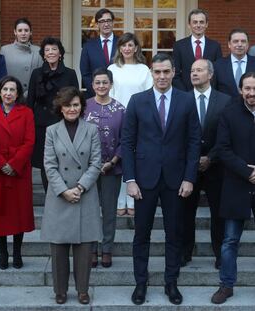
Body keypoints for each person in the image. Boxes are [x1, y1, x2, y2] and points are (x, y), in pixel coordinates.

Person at [121, 53, 200, 306]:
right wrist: (130, 179)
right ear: (151, 73)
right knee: (141, 235)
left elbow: (193, 143)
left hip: (176, 180)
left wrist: (189, 178)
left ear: (174, 72)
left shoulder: (187, 101)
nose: (162, 76)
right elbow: (128, 142)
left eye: (166, 72)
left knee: (174, 235)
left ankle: (171, 283)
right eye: (157, 72)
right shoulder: (137, 101)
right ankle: (140, 284)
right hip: (144, 179)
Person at [41, 86, 102, 305]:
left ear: (81, 106)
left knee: (84, 247)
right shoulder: (51, 131)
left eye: (76, 104)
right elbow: (49, 164)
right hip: (59, 195)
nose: (72, 109)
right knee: (58, 248)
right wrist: (64, 191)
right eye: (68, 105)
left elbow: (96, 163)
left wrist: (80, 187)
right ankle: (60, 290)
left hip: (84, 194)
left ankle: (83, 290)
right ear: (60, 107)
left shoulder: (92, 130)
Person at [210, 72, 255, 304]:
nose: (252, 93)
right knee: (230, 241)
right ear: (240, 90)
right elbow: (222, 150)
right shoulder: (229, 114)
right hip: (237, 184)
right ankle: (226, 285)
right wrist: (248, 172)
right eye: (247, 88)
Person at [181, 59, 231, 269]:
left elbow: (228, 136)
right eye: (192, 70)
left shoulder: (226, 101)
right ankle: (185, 252)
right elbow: (177, 135)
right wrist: (193, 160)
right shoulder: (181, 100)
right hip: (187, 168)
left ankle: (220, 253)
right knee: (185, 213)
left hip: (216, 166)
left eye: (199, 70)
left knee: (218, 213)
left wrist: (210, 157)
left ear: (210, 75)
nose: (194, 73)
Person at [0, 76, 35, 270]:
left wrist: (14, 164)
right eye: (5, 89)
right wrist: (1, 163)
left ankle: (17, 253)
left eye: (12, 90)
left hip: (18, 172)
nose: (8, 93)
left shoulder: (27, 113)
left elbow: (29, 141)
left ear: (18, 94)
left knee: (18, 213)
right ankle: (3, 253)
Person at [108, 32, 153, 216]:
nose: (127, 49)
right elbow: (109, 92)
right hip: (117, 117)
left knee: (135, 159)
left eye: (130, 45)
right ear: (119, 48)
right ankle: (120, 200)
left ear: (136, 48)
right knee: (120, 159)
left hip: (139, 118)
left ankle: (132, 200)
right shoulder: (112, 68)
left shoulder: (144, 69)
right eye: (123, 45)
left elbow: (149, 93)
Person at [84, 68, 124, 268]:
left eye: (105, 82)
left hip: (112, 168)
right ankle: (91, 249)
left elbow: (126, 139)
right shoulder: (84, 107)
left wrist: (113, 161)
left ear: (111, 84)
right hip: (87, 169)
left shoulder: (120, 109)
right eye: (97, 82)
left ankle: (106, 249)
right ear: (92, 85)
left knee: (108, 211)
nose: (101, 86)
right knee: (90, 210)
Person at [27, 37, 79, 191]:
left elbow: (76, 100)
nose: (51, 53)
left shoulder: (70, 73)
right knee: (46, 163)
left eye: (54, 49)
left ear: (60, 53)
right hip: (41, 125)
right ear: (43, 54)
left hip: (63, 123)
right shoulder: (36, 74)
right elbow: (30, 101)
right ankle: (50, 194)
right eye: (47, 50)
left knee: (64, 159)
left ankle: (64, 192)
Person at [173, 9, 222, 91]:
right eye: (195, 22)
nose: (198, 25)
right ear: (189, 25)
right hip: (186, 94)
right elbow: (175, 74)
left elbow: (218, 73)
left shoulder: (215, 46)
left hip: (209, 94)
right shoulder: (179, 46)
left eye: (201, 22)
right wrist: (184, 93)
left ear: (206, 24)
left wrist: (210, 91)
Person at [0, 18, 43, 98]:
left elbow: (41, 76)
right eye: (20, 30)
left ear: (31, 33)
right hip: (10, 96)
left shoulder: (38, 51)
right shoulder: (5, 50)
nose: (23, 33)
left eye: (26, 30)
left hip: (32, 96)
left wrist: (29, 93)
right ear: (15, 32)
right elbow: (2, 76)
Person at [80, 8, 118, 98]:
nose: (106, 24)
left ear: (113, 23)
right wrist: (97, 92)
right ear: (97, 24)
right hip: (95, 96)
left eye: (109, 20)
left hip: (118, 94)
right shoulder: (88, 46)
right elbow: (85, 73)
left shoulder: (122, 44)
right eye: (102, 21)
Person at [214, 28, 255, 99]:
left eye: (243, 41)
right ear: (229, 44)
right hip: (226, 108)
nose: (239, 44)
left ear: (248, 45)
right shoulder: (218, 65)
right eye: (236, 41)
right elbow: (214, 91)